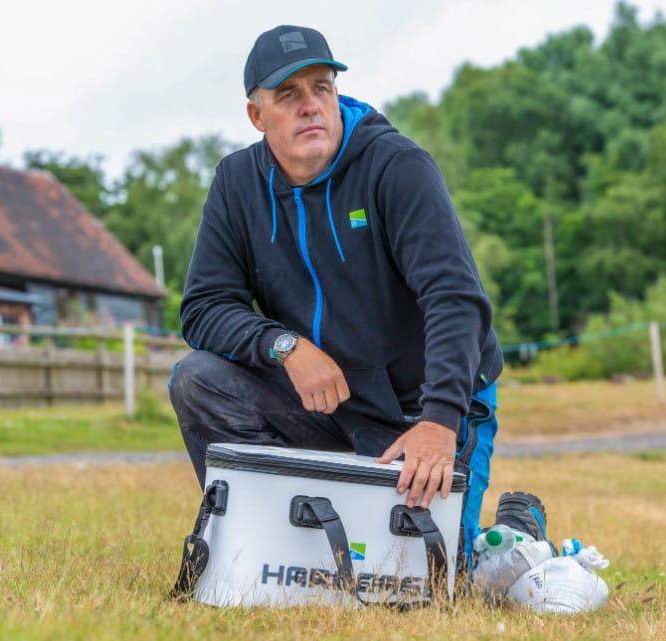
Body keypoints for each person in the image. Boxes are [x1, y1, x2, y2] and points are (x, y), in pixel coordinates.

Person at [169, 25, 503, 556]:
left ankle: (517, 527)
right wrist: (285, 346)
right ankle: (270, 546)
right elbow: (205, 308)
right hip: (325, 402)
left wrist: (440, 419)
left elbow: (454, 298)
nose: (310, 106)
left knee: (432, 574)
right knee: (197, 380)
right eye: (288, 94)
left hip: (422, 404)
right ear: (257, 115)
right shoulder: (236, 184)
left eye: (321, 87)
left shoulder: (396, 166)